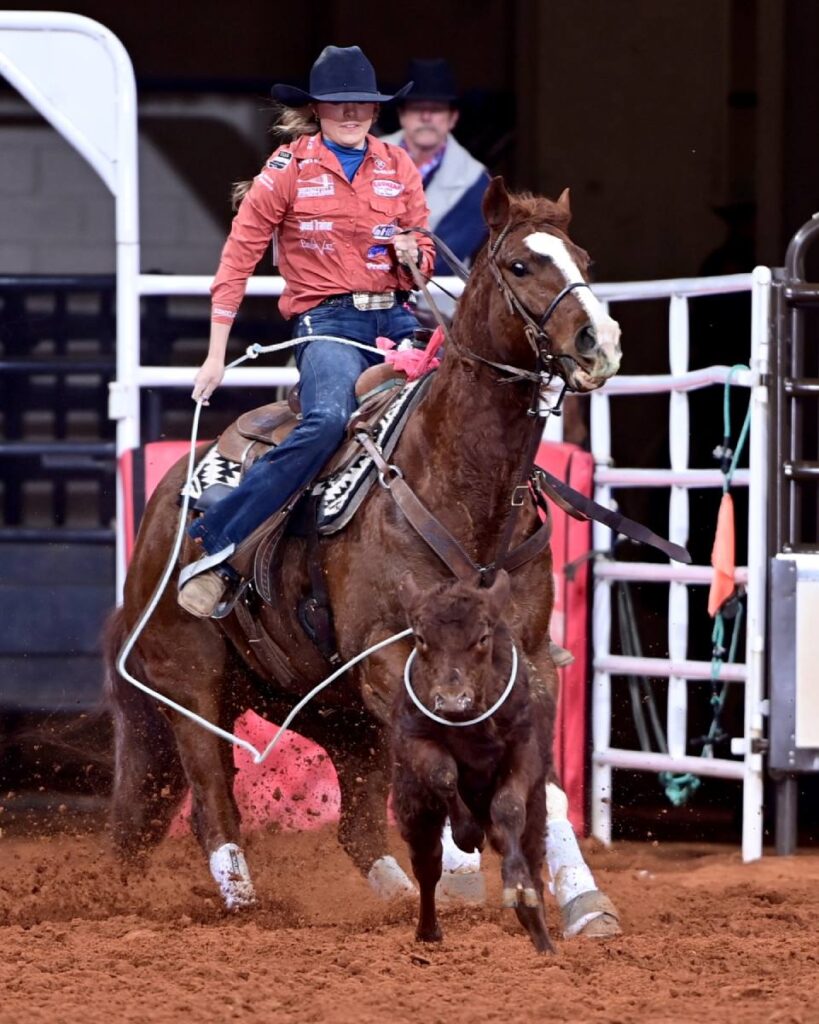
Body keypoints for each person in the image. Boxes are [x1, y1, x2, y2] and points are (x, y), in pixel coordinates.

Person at [178, 45, 435, 618]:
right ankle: (219, 539)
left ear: (375, 111)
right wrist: (216, 355)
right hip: (329, 319)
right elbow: (237, 260)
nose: (351, 115)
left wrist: (413, 253)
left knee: (470, 408)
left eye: (361, 106)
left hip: (397, 315)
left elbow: (424, 257)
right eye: (339, 105)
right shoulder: (286, 169)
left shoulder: (399, 166)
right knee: (325, 422)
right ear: (318, 109)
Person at [381, 58, 490, 279]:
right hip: (366, 297)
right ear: (402, 115)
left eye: (437, 109)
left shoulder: (477, 181)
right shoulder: (366, 156)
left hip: (440, 305)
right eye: (417, 107)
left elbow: (446, 257)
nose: (426, 116)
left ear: (453, 118)